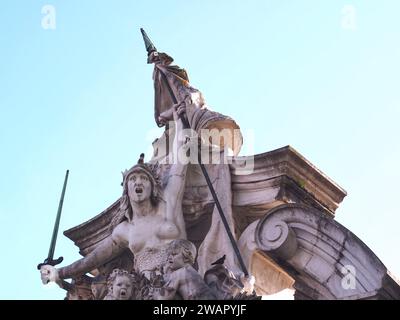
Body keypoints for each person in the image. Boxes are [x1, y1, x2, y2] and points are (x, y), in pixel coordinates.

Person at [40, 106, 191, 285]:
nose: (138, 182)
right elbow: (92, 260)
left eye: (144, 178)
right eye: (132, 179)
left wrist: (179, 119)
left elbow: (180, 164)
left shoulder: (169, 203)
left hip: (183, 284)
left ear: (153, 186)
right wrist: (59, 273)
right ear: (126, 190)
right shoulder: (124, 230)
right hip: (148, 291)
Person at [152, 239, 216, 300]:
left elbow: (162, 298)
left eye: (174, 254)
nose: (169, 257)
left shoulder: (180, 274)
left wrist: (155, 285)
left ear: (186, 258)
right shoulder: (192, 273)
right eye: (169, 255)